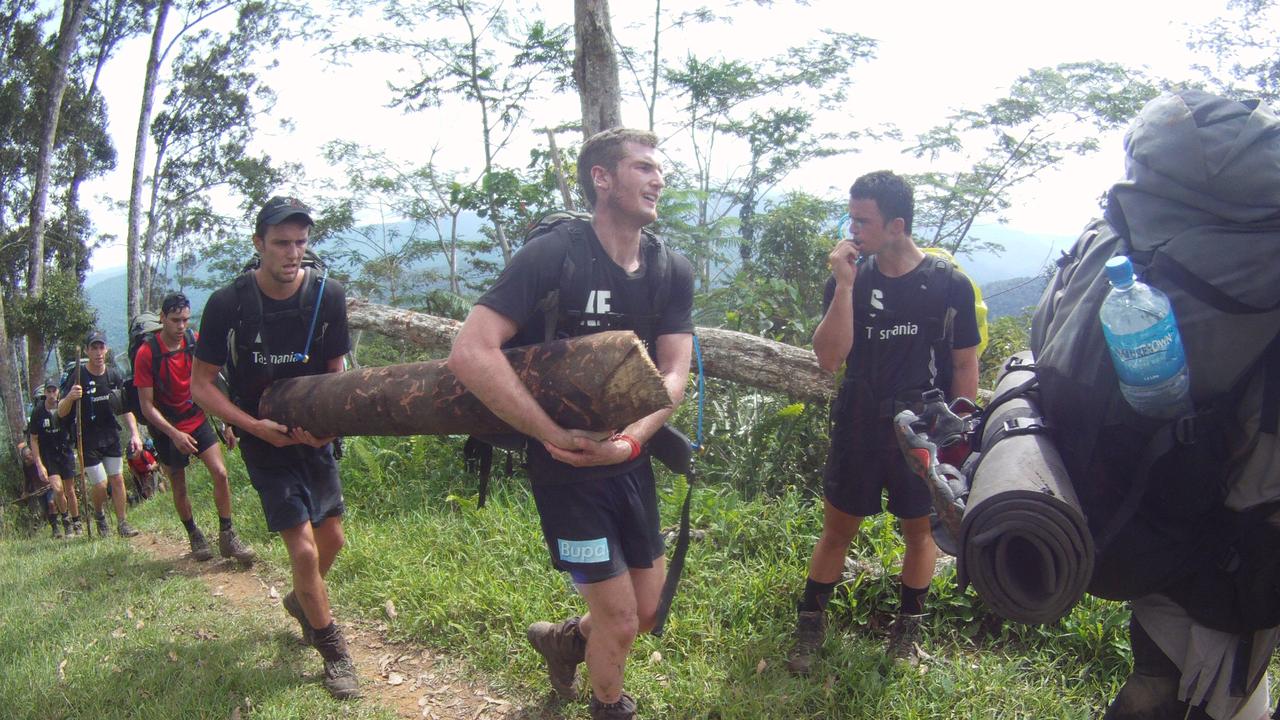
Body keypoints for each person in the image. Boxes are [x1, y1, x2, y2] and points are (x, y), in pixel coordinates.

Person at [448, 127, 694, 720]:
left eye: (658, 169)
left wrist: (633, 439)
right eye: (642, 167)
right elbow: (471, 351)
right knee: (622, 618)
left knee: (650, 607)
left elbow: (674, 374)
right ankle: (609, 706)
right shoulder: (555, 254)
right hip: (564, 470)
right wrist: (551, 435)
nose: (657, 178)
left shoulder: (670, 269)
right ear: (601, 178)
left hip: (630, 463)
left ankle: (562, 641)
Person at [787, 170, 980, 673]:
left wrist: (961, 436)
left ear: (897, 224)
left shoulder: (947, 285)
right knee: (837, 530)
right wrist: (846, 286)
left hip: (922, 428)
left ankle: (906, 633)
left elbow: (964, 364)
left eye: (862, 220)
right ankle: (810, 626)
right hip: (859, 422)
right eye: (851, 217)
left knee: (920, 532)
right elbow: (830, 358)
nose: (853, 229)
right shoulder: (853, 275)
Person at [190, 195, 358, 700]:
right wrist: (252, 427)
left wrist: (328, 429)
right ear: (259, 243)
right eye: (282, 243)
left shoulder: (328, 296)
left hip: (314, 435)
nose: (292, 254)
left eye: (301, 243)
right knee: (304, 550)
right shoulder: (229, 303)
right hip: (262, 437)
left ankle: (301, 601)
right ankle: (332, 648)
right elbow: (203, 384)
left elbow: (336, 374)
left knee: (333, 542)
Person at [136, 291, 256, 563]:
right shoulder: (147, 354)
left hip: (196, 416)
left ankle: (228, 534)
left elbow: (212, 383)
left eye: (186, 320)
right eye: (175, 320)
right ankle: (193, 534)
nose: (181, 327)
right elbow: (146, 406)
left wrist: (227, 422)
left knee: (221, 473)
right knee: (179, 485)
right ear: (162, 318)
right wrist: (174, 434)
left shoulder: (194, 342)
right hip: (168, 426)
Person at [58, 330, 143, 538]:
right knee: (101, 483)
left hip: (110, 434)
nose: (98, 352)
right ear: (87, 350)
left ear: (106, 349)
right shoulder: (77, 376)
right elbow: (60, 412)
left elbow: (126, 407)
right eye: (93, 348)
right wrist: (70, 397)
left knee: (117, 479)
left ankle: (123, 523)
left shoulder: (113, 375)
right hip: (87, 439)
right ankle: (99, 515)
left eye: (101, 347)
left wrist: (135, 433)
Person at [28, 380, 80, 537]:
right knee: (57, 489)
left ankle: (76, 521)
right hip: (49, 456)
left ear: (58, 391)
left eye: (54, 391)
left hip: (65, 452)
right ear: (45, 393)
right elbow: (34, 439)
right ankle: (66, 521)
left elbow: (75, 427)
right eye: (48, 391)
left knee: (70, 490)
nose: (51, 394)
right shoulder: (38, 412)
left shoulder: (64, 407)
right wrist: (39, 464)